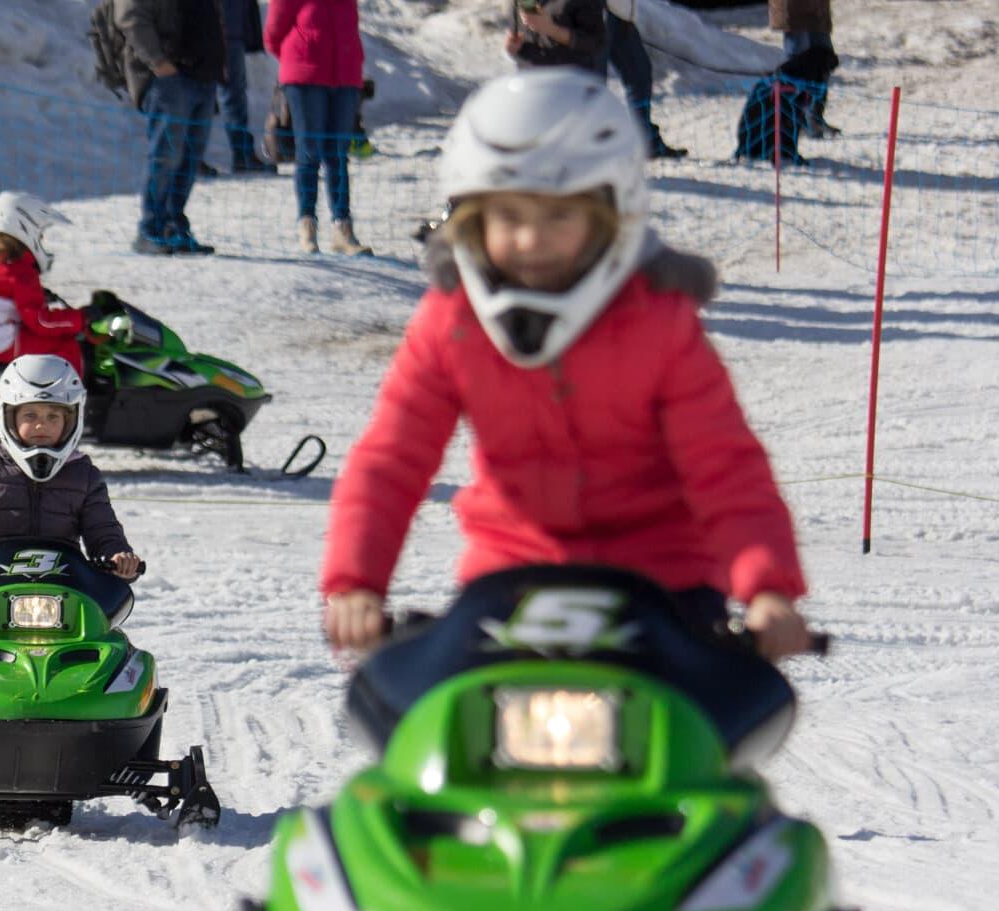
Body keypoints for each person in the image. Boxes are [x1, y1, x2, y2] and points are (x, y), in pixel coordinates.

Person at [321, 71, 812, 660]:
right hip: (511, 580)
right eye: (508, 216)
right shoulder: (452, 323)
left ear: (611, 212)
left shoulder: (658, 322)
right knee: (422, 728)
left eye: (560, 215)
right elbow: (393, 458)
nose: (531, 239)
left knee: (711, 729)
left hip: (665, 584)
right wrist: (355, 582)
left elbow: (724, 465)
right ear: (471, 218)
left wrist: (766, 590)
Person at [0, 355, 142, 580]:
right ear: (9, 416)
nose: (42, 424)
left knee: (98, 617)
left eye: (53, 416)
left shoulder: (84, 475)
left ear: (72, 420)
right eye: (30, 415)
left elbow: (103, 530)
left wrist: (118, 557)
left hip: (66, 584)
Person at [116, 0, 227, 255]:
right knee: (166, 156)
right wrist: (158, 62)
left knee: (190, 158)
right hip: (169, 79)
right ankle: (150, 229)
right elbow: (132, 17)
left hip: (204, 76)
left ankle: (174, 226)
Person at [266, 0, 370, 255]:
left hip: (345, 76)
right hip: (305, 77)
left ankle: (342, 228)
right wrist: (299, 56)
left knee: (338, 154)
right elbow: (273, 33)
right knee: (309, 152)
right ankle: (307, 224)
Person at [0, 192, 89, 376]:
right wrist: (81, 320)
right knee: (66, 345)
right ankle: (68, 401)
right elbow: (41, 322)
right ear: (27, 226)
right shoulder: (18, 269)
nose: (41, 240)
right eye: (40, 234)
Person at [604, 0, 687, 159]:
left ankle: (645, 140)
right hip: (596, 12)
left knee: (639, 75)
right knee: (592, 80)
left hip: (620, 13)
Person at [219, 0, 274, 172]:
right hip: (223, 32)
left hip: (231, 31)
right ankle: (242, 155)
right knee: (231, 98)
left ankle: (242, 153)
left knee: (234, 98)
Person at [771, 0, 838, 136]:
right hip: (793, 8)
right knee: (797, 62)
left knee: (824, 57)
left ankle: (815, 118)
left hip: (817, 9)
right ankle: (793, 121)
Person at [506, 0, 606, 75]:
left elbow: (597, 43)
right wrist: (511, 48)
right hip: (530, 83)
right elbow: (516, 36)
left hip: (571, 85)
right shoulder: (523, 1)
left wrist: (553, 30)